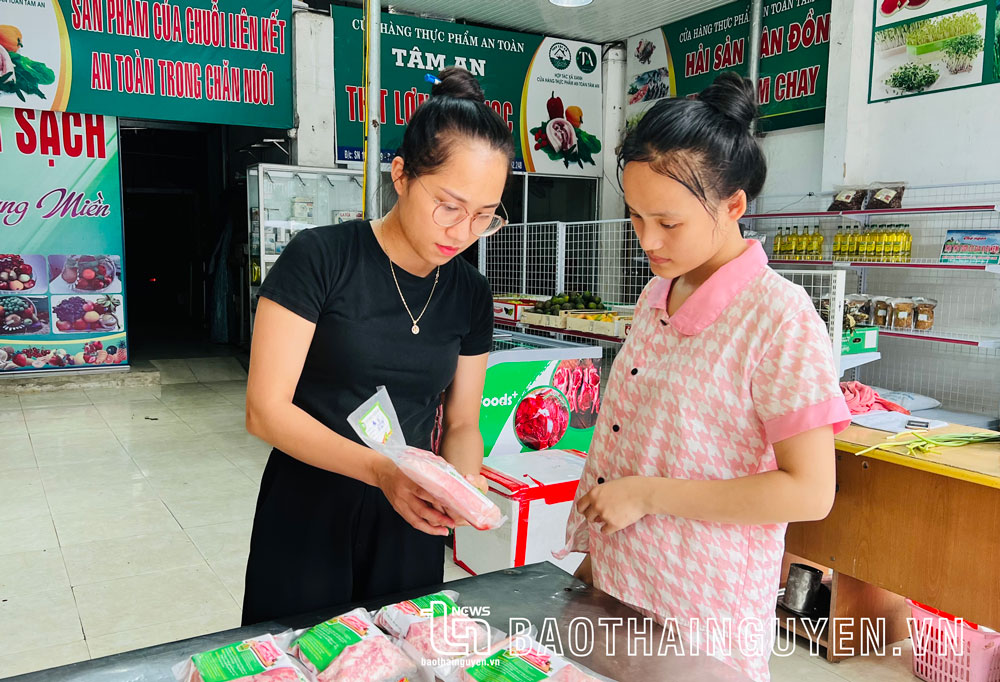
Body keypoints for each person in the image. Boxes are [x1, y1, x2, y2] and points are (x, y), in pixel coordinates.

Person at [560, 73, 851, 681]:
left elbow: (809, 491)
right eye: (636, 217)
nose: (647, 240)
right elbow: (633, 438)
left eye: (668, 223)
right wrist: (594, 552)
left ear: (734, 205)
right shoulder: (656, 294)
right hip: (619, 581)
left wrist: (645, 494)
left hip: (701, 608)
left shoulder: (779, 318)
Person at [242, 68, 513, 625]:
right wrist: (381, 472)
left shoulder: (470, 292)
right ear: (402, 175)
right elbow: (265, 411)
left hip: (409, 517)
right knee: (300, 655)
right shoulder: (320, 258)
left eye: (484, 216)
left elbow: (462, 422)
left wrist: (462, 487)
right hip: (308, 507)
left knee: (401, 656)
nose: (462, 231)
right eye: (449, 205)